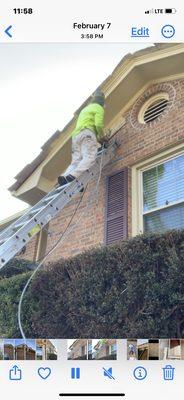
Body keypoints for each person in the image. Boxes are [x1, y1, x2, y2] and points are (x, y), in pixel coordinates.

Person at [58, 89, 107, 186]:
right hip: (87, 133)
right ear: (102, 102)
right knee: (89, 157)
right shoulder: (98, 107)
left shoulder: (85, 109)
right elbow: (98, 124)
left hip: (76, 137)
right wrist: (102, 136)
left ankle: (64, 177)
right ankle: (73, 176)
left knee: (76, 161)